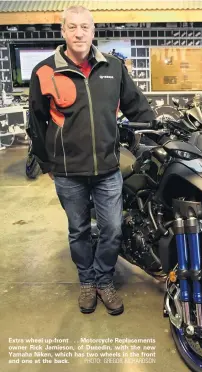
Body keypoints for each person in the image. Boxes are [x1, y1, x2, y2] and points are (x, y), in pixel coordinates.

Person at [28, 6, 155, 315]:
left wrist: (156, 136)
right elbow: (37, 122)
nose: (79, 33)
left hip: (108, 170)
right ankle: (87, 282)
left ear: (93, 31)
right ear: (63, 32)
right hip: (68, 173)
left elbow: (138, 108)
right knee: (79, 231)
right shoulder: (45, 71)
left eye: (85, 27)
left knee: (112, 230)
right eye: (72, 27)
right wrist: (48, 164)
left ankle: (103, 279)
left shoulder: (113, 67)